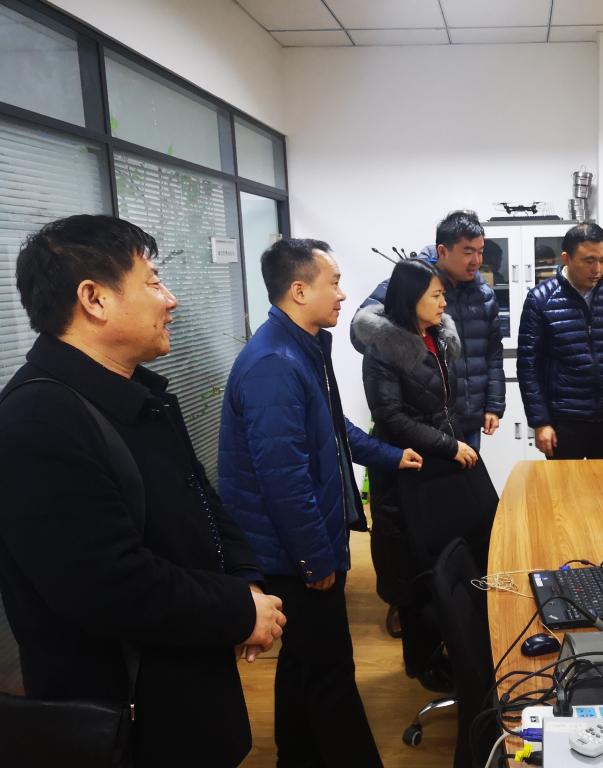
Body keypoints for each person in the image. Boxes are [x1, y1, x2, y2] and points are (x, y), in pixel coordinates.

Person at [0, 214, 286, 768]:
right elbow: (110, 585)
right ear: (94, 299)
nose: (170, 300)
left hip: (190, 686)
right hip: (126, 725)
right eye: (153, 282)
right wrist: (234, 609)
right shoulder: (37, 422)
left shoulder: (135, 391)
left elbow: (201, 502)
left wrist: (246, 584)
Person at [218, 239, 421, 768]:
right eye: (333, 283)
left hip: (301, 546)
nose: (343, 294)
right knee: (330, 673)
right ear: (299, 290)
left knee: (303, 665)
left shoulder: (302, 347)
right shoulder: (274, 364)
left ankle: (296, 757)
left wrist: (390, 456)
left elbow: (333, 427)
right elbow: (283, 479)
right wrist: (314, 557)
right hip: (291, 553)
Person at [352, 259, 497, 688]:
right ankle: (427, 663)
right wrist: (451, 446)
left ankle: (470, 646)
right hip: (412, 467)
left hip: (444, 460)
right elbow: (392, 418)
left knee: (470, 548)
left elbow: (444, 404)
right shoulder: (383, 349)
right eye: (435, 295)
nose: (443, 302)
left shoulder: (437, 336)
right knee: (420, 568)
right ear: (410, 298)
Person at [351, 210, 504, 452]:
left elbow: (493, 353)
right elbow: (359, 331)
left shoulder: (484, 295)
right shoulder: (411, 282)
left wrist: (494, 405)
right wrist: (411, 352)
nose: (476, 260)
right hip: (422, 421)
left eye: (480, 251)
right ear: (442, 251)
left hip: (469, 417)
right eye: (467, 252)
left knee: (469, 473)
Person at [517, 222, 603, 459]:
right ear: (566, 258)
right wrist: (540, 422)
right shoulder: (540, 299)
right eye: (589, 260)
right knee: (565, 483)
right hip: (564, 420)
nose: (597, 269)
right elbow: (529, 368)